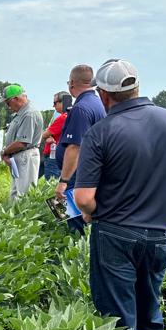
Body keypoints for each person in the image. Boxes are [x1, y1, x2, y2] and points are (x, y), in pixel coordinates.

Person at [73, 59, 166, 330]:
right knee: (150, 308)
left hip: (116, 233)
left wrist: (94, 211)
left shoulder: (101, 131)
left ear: (104, 95)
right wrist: (155, 193)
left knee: (119, 318)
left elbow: (83, 198)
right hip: (160, 233)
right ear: (137, 88)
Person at [55, 64, 106, 234]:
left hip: (78, 174)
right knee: (82, 218)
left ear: (71, 84)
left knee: (75, 222)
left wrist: (63, 181)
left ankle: (75, 249)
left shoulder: (80, 108)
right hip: (90, 171)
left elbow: (75, 147)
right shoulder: (97, 103)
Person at [0, 84, 43, 200]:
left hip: (26, 156)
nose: (7, 106)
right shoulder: (22, 113)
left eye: (8, 102)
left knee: (24, 194)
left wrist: (4, 151)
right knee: (15, 193)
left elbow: (22, 142)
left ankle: (24, 218)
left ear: (16, 99)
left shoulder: (29, 114)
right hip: (19, 156)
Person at [40, 91, 72, 180]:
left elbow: (44, 135)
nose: (53, 106)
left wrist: (48, 134)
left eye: (55, 103)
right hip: (60, 155)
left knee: (50, 185)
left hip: (53, 157)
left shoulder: (62, 118)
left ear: (63, 102)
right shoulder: (70, 115)